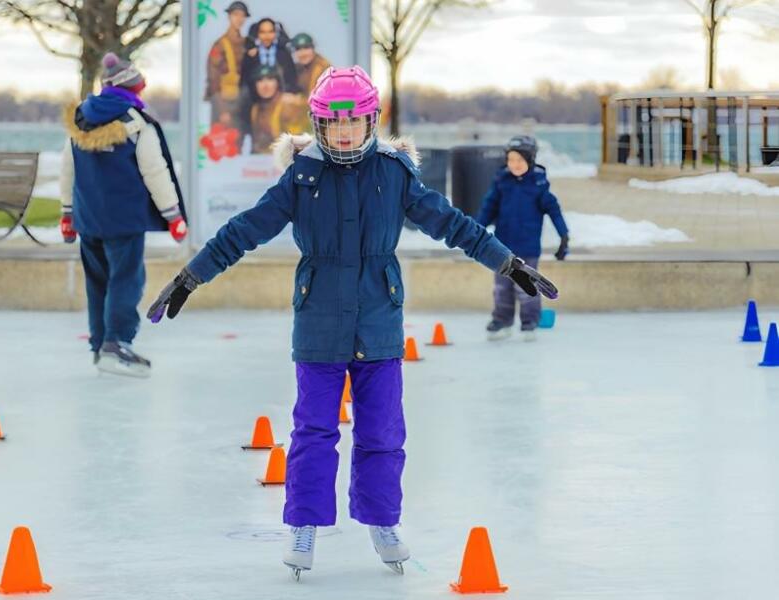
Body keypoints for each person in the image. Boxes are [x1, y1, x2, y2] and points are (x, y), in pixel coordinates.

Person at [146, 66, 557, 579]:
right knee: (313, 431)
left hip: (379, 320)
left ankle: (383, 522)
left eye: (354, 123)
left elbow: (453, 224)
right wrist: (190, 276)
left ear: (370, 123)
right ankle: (304, 525)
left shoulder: (394, 173)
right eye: (333, 124)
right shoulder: (301, 177)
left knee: (382, 431)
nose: (343, 133)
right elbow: (242, 231)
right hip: (318, 319)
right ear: (318, 125)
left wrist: (507, 261)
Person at [59, 52, 188, 378]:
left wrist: (66, 213)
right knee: (126, 282)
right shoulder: (137, 121)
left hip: (89, 219)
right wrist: (173, 215)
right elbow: (155, 172)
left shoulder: (80, 119)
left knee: (98, 282)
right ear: (133, 88)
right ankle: (117, 344)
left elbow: (67, 169)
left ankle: (100, 344)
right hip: (124, 220)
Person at [476, 135, 569, 342]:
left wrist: (564, 236)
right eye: (511, 160)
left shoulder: (538, 185)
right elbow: (488, 208)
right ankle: (502, 320)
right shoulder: (502, 182)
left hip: (527, 248)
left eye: (520, 160)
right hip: (501, 249)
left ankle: (529, 322)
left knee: (526, 288)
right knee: (501, 288)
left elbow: (554, 211)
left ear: (530, 160)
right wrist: (475, 231)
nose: (515, 165)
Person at [205, 1, 249, 134]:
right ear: (229, 16)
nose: (239, 19)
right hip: (224, 103)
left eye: (242, 15)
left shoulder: (246, 43)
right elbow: (213, 79)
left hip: (241, 103)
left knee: (239, 142)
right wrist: (222, 110)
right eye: (236, 14)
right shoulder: (219, 45)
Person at [248, 65, 309, 154]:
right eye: (260, 80)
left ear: (277, 83)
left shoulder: (290, 102)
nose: (265, 85)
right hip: (264, 161)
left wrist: (337, 105)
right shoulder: (256, 109)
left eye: (270, 79)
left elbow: (325, 105)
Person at [240, 17, 300, 96]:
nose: (267, 36)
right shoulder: (251, 55)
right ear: (257, 34)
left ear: (275, 33)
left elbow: (292, 78)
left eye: (270, 32)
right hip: (256, 97)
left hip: (281, 97)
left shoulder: (284, 54)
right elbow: (244, 82)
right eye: (263, 32)